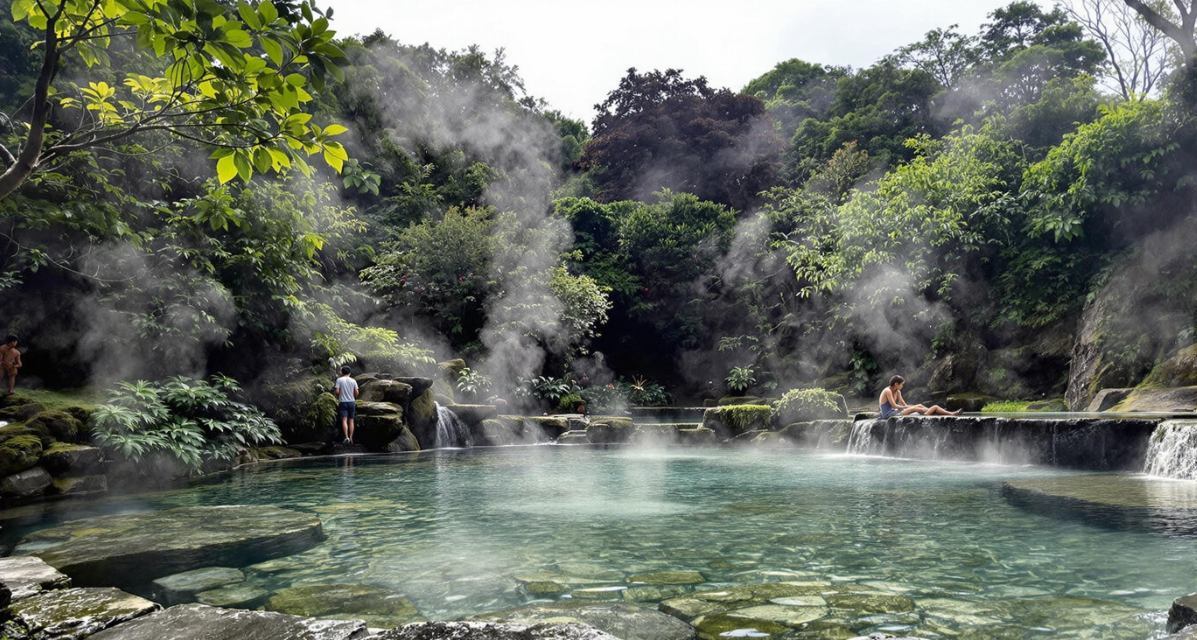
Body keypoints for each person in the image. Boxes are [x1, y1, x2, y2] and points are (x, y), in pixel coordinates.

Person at [878, 375, 961, 419]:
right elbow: (894, 406)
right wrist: (909, 408)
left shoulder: (898, 391)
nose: (902, 386)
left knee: (919, 405)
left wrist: (907, 407)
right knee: (916, 408)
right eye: (902, 384)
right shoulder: (887, 391)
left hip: (894, 412)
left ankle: (942, 412)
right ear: (896, 384)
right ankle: (939, 412)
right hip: (888, 414)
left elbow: (903, 403)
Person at [332, 366, 359, 445]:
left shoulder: (339, 380)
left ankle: (346, 437)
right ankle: (351, 438)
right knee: (351, 421)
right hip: (351, 402)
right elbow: (357, 393)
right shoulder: (353, 380)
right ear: (349, 373)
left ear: (342, 372)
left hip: (343, 402)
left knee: (344, 420)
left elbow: (337, 391)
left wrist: (339, 396)